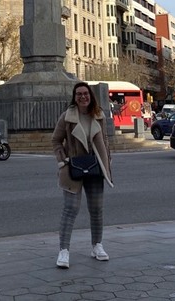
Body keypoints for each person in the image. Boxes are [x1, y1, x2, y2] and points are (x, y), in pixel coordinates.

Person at [51, 82, 114, 269]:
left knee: (96, 209)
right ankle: (64, 250)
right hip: (73, 167)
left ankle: (97, 245)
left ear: (91, 95)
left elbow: (105, 139)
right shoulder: (67, 117)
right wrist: (62, 160)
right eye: (78, 94)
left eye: (85, 93)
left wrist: (107, 160)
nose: (82, 97)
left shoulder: (99, 115)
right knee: (70, 209)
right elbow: (55, 140)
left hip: (95, 166)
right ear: (74, 97)